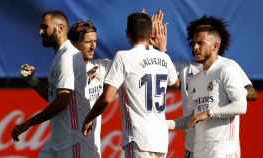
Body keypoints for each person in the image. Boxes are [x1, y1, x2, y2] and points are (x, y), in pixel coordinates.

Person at [82, 12, 178, 158]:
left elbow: (107, 98)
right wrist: (162, 50)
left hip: (139, 138)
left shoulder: (123, 57)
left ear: (128, 34)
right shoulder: (164, 57)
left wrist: (89, 118)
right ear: (150, 34)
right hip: (161, 140)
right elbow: (176, 82)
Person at [11, 10, 92, 158]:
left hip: (73, 141)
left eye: (45, 26)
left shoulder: (67, 56)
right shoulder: (60, 56)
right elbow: (54, 97)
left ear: (60, 28)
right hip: (59, 140)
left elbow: (63, 101)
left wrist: (28, 123)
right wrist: (32, 80)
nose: (40, 31)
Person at [167, 16, 248, 158]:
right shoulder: (195, 79)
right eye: (193, 43)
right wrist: (165, 124)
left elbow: (241, 106)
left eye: (200, 43)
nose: (195, 48)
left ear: (216, 45)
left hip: (223, 150)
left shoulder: (227, 68)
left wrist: (209, 113)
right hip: (199, 150)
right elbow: (193, 118)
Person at [67, 20, 112, 157]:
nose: (93, 46)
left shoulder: (103, 66)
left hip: (94, 148)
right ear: (74, 45)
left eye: (95, 41)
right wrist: (33, 81)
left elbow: (133, 65)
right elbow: (53, 99)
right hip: (73, 147)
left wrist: (144, 35)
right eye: (88, 42)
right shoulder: (65, 70)